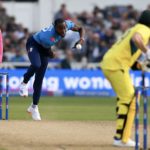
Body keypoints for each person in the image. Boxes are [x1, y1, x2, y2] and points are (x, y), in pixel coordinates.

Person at [100, 10, 150, 147]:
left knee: (126, 98)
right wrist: (148, 52)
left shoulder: (135, 27)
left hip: (111, 63)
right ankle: (122, 138)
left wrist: (141, 65)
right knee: (130, 98)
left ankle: (120, 135)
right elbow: (137, 39)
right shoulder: (145, 29)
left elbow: (129, 53)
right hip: (117, 65)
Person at [19, 18, 84, 121]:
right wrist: (53, 54)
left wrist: (81, 39)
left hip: (44, 47)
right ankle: (24, 82)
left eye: (64, 28)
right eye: (60, 29)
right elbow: (49, 52)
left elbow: (80, 28)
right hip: (34, 44)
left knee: (39, 79)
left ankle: (34, 107)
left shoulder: (66, 25)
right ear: (55, 28)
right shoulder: (48, 37)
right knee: (36, 65)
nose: (63, 31)